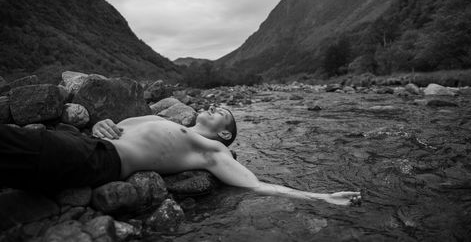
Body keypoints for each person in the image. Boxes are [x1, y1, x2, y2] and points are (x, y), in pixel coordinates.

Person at [0, 105, 361, 205]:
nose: (214, 106)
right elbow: (114, 124)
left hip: (99, 160)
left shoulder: (212, 149)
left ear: (224, 133)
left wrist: (321, 197)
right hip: (86, 142)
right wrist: (102, 123)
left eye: (222, 111)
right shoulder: (161, 119)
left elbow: (255, 185)